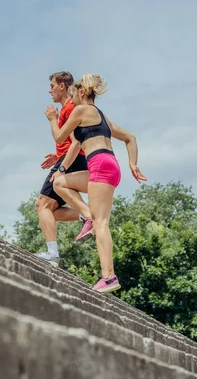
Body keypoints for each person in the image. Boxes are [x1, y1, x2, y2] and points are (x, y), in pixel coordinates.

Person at [44, 73, 147, 293]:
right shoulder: (101, 117)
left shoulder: (81, 111)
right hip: (111, 165)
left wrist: (53, 119)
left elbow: (60, 137)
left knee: (102, 223)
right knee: (59, 182)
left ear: (81, 93)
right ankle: (87, 216)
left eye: (72, 96)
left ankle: (108, 276)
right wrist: (133, 164)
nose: (70, 102)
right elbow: (130, 138)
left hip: (99, 164)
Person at [34, 71, 91, 267]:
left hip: (71, 161)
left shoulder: (69, 108)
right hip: (70, 159)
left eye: (52, 85)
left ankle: (52, 255)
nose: (49, 90)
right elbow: (69, 141)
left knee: (42, 205)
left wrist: (62, 166)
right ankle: (86, 214)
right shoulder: (70, 108)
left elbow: (74, 141)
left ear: (62, 86)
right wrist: (57, 155)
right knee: (51, 210)